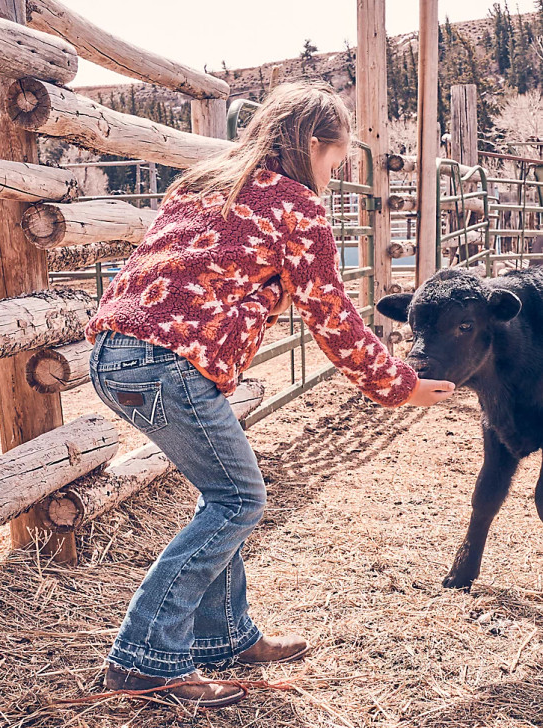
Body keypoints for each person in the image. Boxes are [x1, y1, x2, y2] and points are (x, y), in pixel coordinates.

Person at [86, 81, 455, 707]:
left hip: (118, 353)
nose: (333, 181)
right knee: (238, 500)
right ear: (310, 145)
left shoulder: (203, 182)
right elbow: (333, 315)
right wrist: (400, 385)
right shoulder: (295, 207)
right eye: (334, 163)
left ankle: (224, 635)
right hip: (169, 362)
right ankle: (145, 657)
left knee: (222, 494)